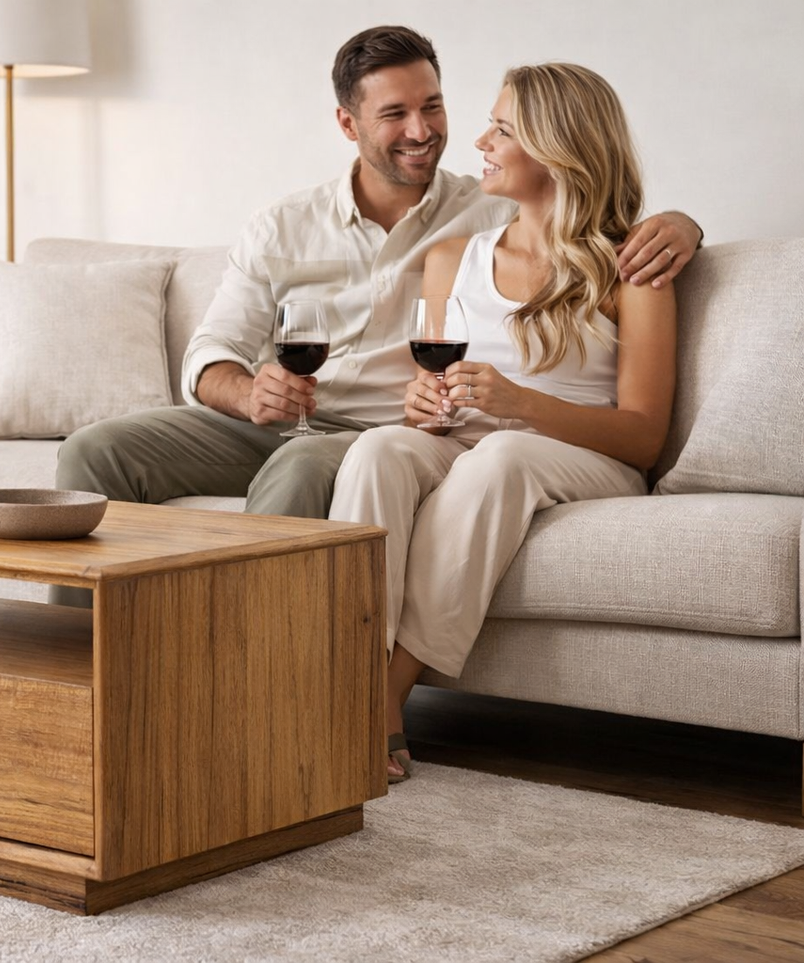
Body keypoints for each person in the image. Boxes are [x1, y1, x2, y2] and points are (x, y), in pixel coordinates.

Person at [53, 26, 697, 582]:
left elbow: (581, 196)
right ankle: (74, 664)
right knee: (96, 450)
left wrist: (681, 224)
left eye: (433, 106)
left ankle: (250, 681)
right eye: (394, 114)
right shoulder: (282, 225)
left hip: (390, 433)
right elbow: (211, 350)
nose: (422, 131)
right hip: (282, 424)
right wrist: (250, 394)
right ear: (347, 123)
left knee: (304, 464)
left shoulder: (491, 205)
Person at [327, 62, 677, 784]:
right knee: (378, 450)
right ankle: (341, 674)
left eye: (502, 128)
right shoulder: (451, 259)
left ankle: (381, 695)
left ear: (557, 145)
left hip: (575, 454)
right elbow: (428, 388)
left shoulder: (627, 267)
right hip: (469, 440)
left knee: (503, 454)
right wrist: (421, 407)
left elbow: (643, 436)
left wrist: (520, 403)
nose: (478, 139)